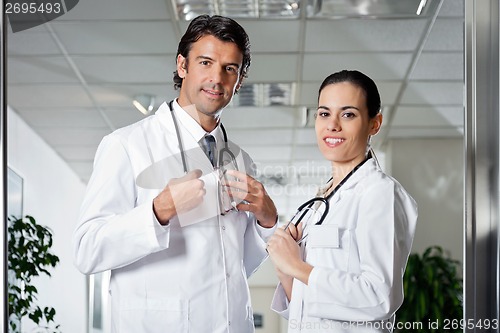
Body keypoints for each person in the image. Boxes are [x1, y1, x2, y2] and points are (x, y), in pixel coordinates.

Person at [72, 15, 278, 333]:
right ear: (182, 66)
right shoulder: (126, 145)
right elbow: (87, 250)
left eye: (230, 68)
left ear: (240, 81)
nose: (217, 79)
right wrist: (159, 210)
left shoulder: (241, 160)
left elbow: (235, 265)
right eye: (205, 62)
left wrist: (267, 221)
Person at [266, 70, 418, 333]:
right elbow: (310, 310)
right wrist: (285, 273)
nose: (332, 124)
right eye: (324, 113)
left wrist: (297, 266)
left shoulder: (378, 192)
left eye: (348, 114)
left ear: (374, 124)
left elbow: (379, 297)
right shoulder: (319, 202)